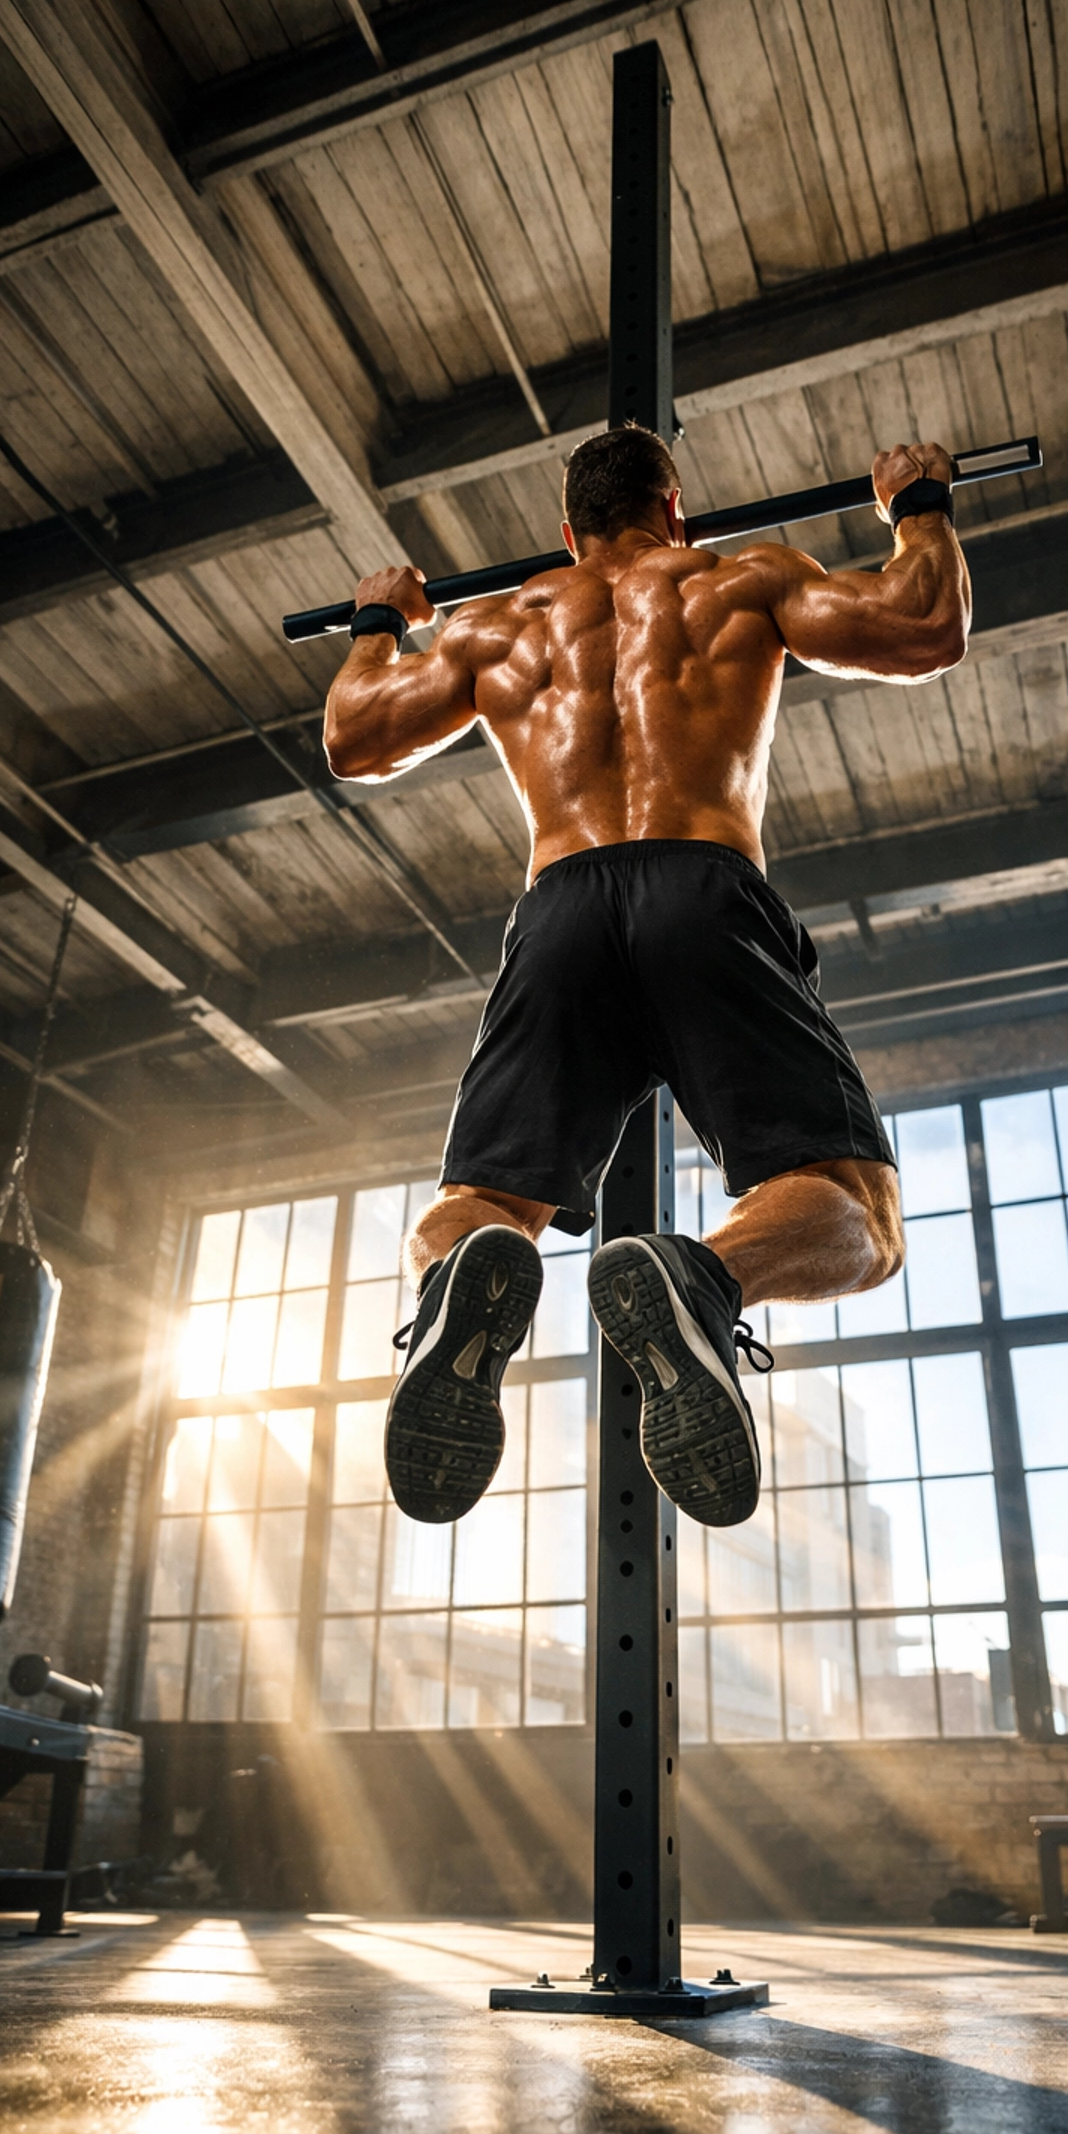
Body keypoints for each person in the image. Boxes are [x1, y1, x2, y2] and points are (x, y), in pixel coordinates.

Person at [324, 427, 970, 1530]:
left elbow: (355, 736)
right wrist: (918, 504)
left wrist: (380, 620)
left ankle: (456, 1288)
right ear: (676, 513)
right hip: (702, 887)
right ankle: (703, 1281)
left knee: (477, 1205)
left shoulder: (499, 623)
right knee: (860, 1216)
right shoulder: (739, 577)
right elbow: (923, 626)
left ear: (567, 532)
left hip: (560, 906)